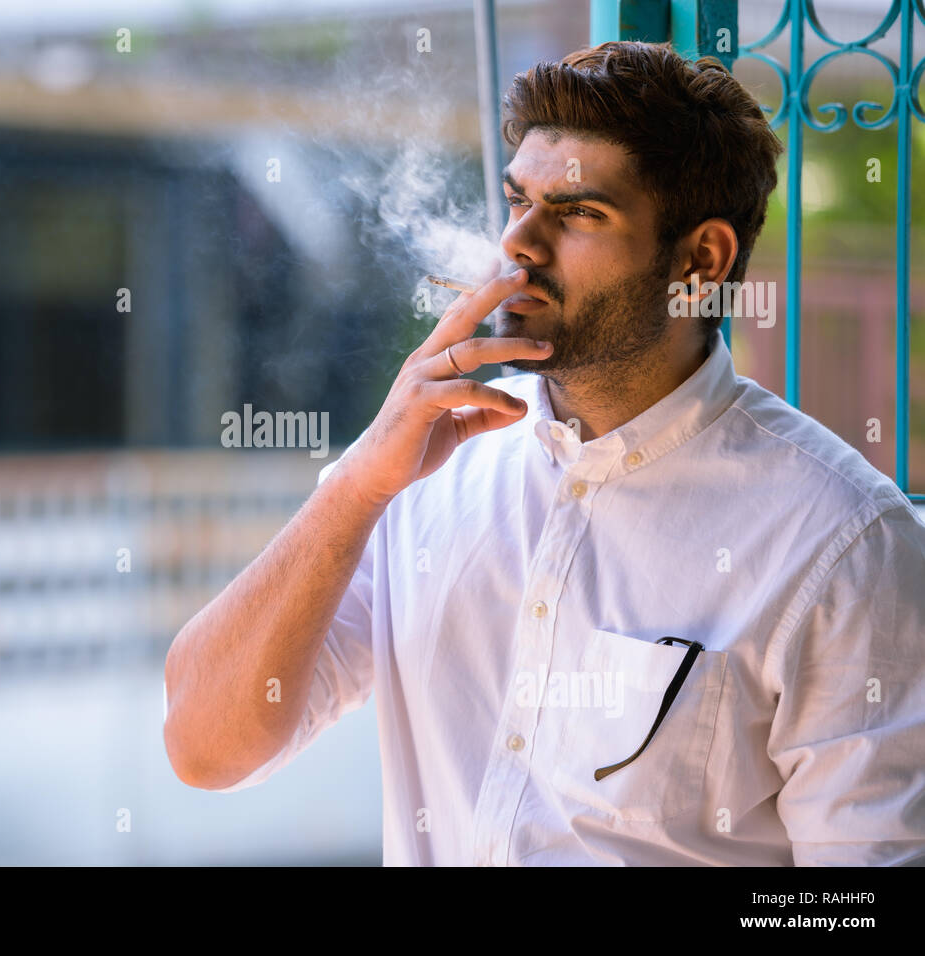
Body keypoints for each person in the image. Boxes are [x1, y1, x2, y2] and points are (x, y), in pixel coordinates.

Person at [163, 40, 925, 865]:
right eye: (517, 201)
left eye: (577, 213)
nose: (519, 244)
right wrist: (353, 488)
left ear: (700, 261)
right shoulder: (423, 466)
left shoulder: (843, 543)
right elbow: (204, 750)